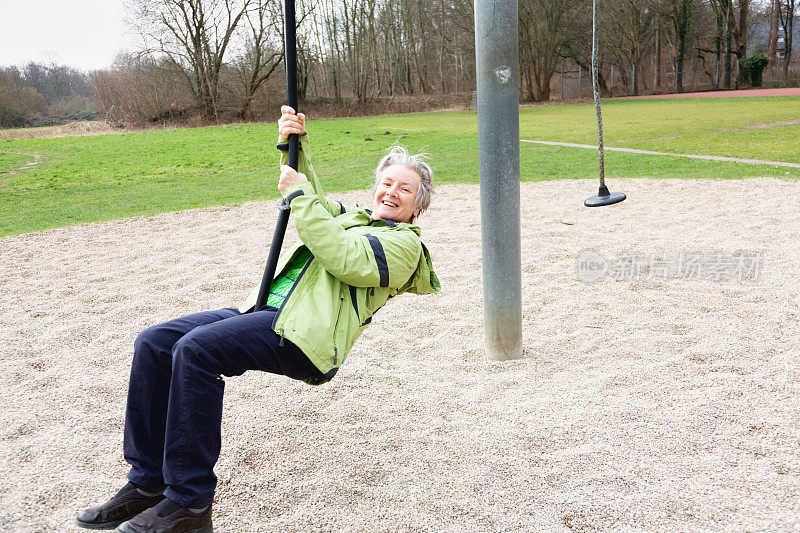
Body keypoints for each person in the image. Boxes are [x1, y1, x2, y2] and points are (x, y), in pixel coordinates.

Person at [75, 107, 440, 532]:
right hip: (264, 311)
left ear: (418, 207)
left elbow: (344, 258)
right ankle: (147, 484)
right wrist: (293, 143)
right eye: (387, 182)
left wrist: (302, 196)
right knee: (154, 342)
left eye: (406, 189)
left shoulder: (404, 247)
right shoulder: (352, 218)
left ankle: (189, 503)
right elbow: (312, 196)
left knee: (196, 351)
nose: (392, 192)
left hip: (304, 338)